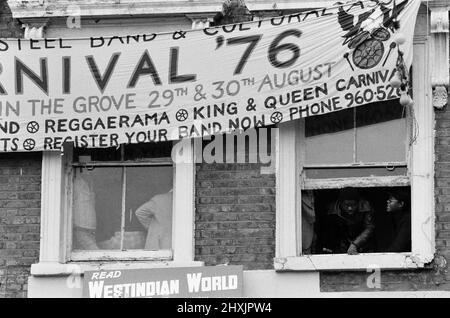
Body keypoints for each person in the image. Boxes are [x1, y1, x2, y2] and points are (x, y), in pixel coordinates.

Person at [321, 187, 375, 255]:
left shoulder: (366, 206)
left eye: (353, 205)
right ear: (340, 203)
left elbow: (369, 227)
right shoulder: (331, 210)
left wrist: (355, 244)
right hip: (341, 243)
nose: (350, 208)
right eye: (346, 205)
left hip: (364, 243)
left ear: (358, 203)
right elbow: (329, 232)